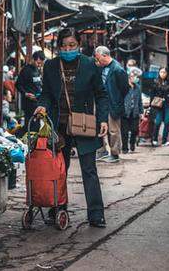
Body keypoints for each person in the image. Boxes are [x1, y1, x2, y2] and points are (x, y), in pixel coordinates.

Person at [35, 27, 109, 228]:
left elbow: (101, 94)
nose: (68, 49)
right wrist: (42, 105)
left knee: (89, 170)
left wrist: (102, 119)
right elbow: (47, 94)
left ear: (79, 45)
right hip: (59, 125)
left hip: (84, 124)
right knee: (59, 169)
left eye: (72, 45)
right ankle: (58, 207)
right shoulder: (50, 66)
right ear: (58, 47)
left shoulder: (89, 65)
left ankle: (96, 214)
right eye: (64, 46)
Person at [94, 46, 129, 163]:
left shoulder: (117, 69)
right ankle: (103, 150)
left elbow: (125, 89)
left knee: (113, 130)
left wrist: (117, 100)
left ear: (105, 55)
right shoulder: (103, 67)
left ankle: (115, 154)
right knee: (101, 127)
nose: (98, 61)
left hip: (114, 104)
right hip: (103, 103)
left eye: (99, 59)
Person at [150, 67, 169, 147]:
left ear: (167, 73)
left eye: (164, 72)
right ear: (159, 73)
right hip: (158, 105)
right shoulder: (155, 82)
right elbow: (152, 94)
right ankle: (154, 139)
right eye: (161, 72)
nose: (162, 74)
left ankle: (164, 140)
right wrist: (151, 105)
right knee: (157, 122)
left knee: (167, 122)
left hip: (167, 105)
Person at [16, 50, 46, 120]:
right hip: (28, 104)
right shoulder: (26, 70)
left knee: (37, 125)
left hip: (37, 102)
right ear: (33, 59)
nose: (39, 65)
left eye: (41, 64)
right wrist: (26, 93)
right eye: (38, 63)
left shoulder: (37, 70)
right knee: (30, 124)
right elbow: (18, 84)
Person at [122, 71, 143, 153]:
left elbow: (139, 101)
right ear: (129, 78)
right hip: (125, 112)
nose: (136, 78)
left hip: (135, 112)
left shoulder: (138, 87)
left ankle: (132, 143)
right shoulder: (124, 87)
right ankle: (124, 148)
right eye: (134, 76)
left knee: (134, 130)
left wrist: (141, 111)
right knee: (124, 132)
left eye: (136, 77)